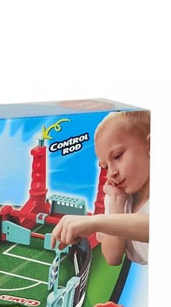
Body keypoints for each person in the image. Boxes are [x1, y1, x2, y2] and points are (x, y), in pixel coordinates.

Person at [50, 110, 150, 265]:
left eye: (117, 156)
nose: (112, 173)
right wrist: (117, 201)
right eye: (105, 166)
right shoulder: (119, 195)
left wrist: (96, 222)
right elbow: (112, 257)